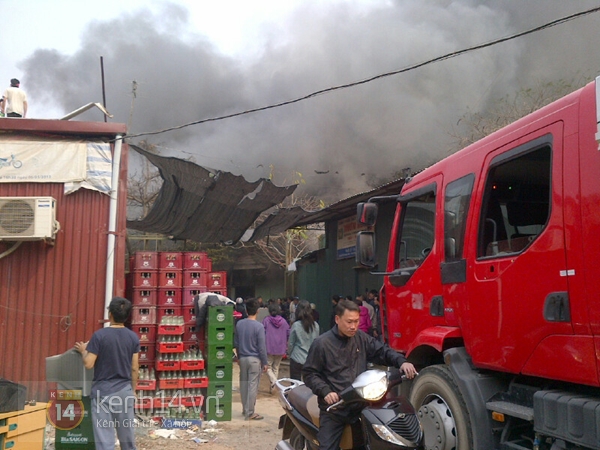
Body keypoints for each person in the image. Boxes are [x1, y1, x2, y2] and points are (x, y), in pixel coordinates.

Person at [303, 299, 418, 450]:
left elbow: (382, 351)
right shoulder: (322, 343)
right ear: (337, 319)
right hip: (335, 410)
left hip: (360, 406)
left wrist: (402, 362)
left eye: (356, 321)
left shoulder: (361, 338)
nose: (353, 326)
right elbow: (309, 373)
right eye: (349, 322)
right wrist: (326, 392)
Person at [74, 297, 140, 450]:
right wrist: (133, 391)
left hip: (103, 393)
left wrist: (84, 351)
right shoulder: (133, 337)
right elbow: (135, 368)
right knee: (127, 438)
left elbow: (89, 364)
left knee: (105, 441)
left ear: (110, 313)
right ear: (127, 315)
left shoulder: (99, 336)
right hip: (124, 392)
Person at [234, 297, 268, 420]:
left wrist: (238, 357)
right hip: (255, 360)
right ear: (257, 311)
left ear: (246, 311)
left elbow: (236, 343)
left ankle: (245, 409)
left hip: (242, 358)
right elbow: (262, 347)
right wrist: (265, 362)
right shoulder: (259, 327)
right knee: (252, 386)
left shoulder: (239, 324)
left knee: (243, 385)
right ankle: (250, 412)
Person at [287, 299, 319, 380]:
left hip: (297, 358)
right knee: (309, 384)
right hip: (310, 360)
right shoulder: (316, 325)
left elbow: (291, 343)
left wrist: (290, 355)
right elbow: (316, 343)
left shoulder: (296, 325)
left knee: (295, 385)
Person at [262, 303, 290, 392]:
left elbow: (262, 332)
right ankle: (272, 388)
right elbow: (288, 333)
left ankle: (274, 382)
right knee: (276, 367)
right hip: (281, 348)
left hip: (269, 347)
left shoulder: (266, 320)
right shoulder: (284, 321)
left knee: (268, 367)